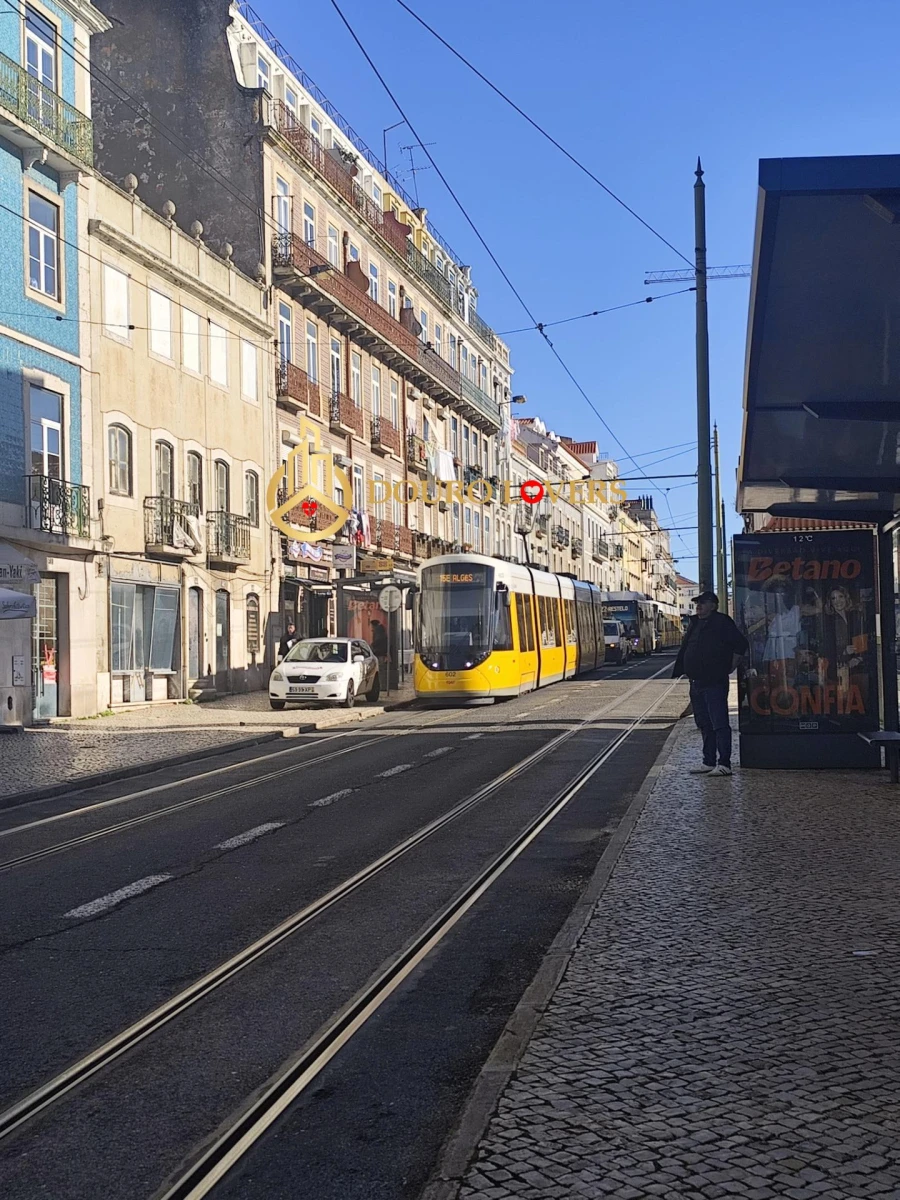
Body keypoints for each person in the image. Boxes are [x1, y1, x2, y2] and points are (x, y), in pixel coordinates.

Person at [672, 591, 749, 777]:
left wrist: (730, 666)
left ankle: (724, 763)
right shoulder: (695, 623)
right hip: (696, 682)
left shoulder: (722, 622)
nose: (698, 606)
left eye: (703, 603)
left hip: (714, 681)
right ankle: (708, 761)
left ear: (713, 605)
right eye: (697, 603)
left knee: (719, 723)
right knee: (704, 723)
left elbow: (741, 644)